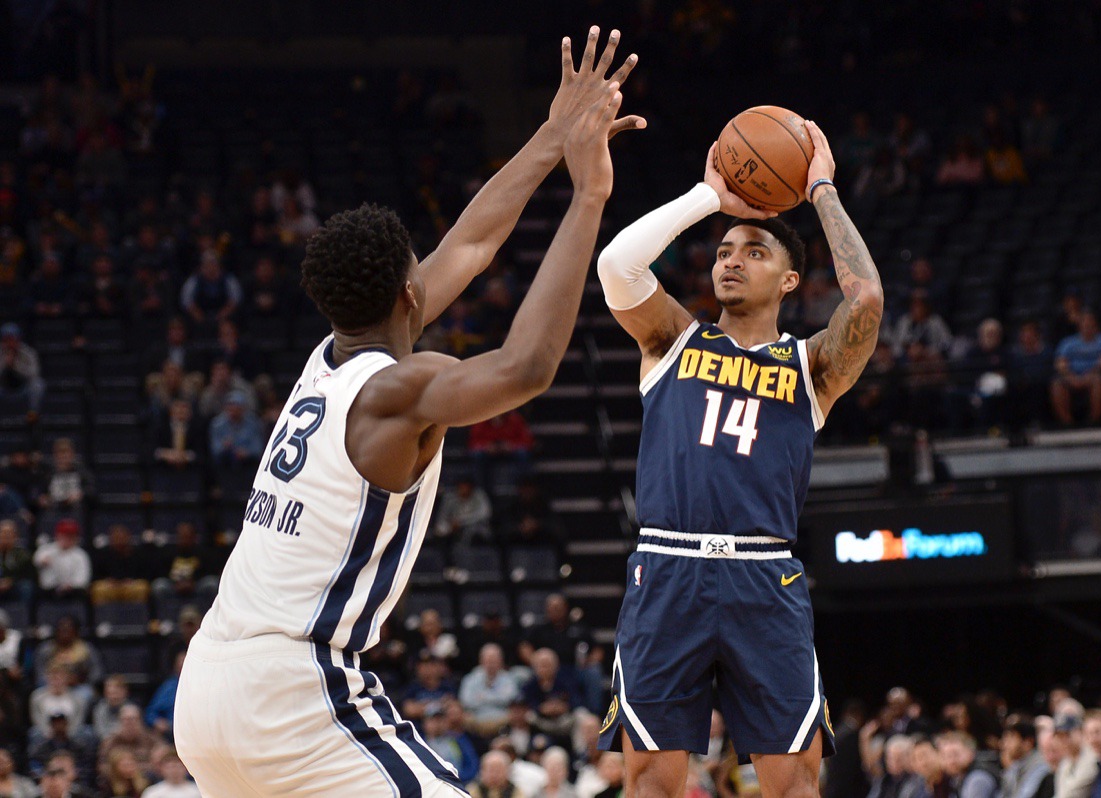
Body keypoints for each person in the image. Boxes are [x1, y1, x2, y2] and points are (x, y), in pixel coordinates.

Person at [174, 27, 642, 796]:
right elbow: (526, 368)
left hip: (208, 686)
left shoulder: (325, 363)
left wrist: (556, 136)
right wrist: (590, 194)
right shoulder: (396, 388)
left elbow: (472, 243)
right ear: (410, 295)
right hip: (291, 690)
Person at [594, 120, 880, 797]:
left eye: (751, 251)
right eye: (723, 249)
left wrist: (821, 190)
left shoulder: (811, 365)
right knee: (650, 784)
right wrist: (707, 196)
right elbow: (616, 267)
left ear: (788, 279)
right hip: (668, 567)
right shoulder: (673, 340)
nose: (729, 258)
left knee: (794, 785)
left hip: (765, 578)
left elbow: (864, 298)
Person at [1051, 310, 1101, 426]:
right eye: (1084, 324)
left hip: (1095, 375)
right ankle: (1067, 423)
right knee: (1057, 384)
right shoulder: (1068, 343)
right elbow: (1060, 363)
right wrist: (1072, 377)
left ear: (1096, 325)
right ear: (1079, 326)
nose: (1087, 327)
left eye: (1090, 324)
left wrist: (1088, 376)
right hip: (1072, 376)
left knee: (1098, 382)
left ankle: (1093, 421)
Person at [999, 716, 1051, 798]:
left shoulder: (1040, 765)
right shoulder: (1015, 766)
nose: (1005, 744)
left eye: (1011, 737)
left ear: (1028, 742)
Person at [1054, 715, 1099, 798]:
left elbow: (1071, 795)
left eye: (1067, 734)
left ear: (1080, 731)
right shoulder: (1065, 762)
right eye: (1060, 736)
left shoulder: (1092, 756)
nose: (1063, 740)